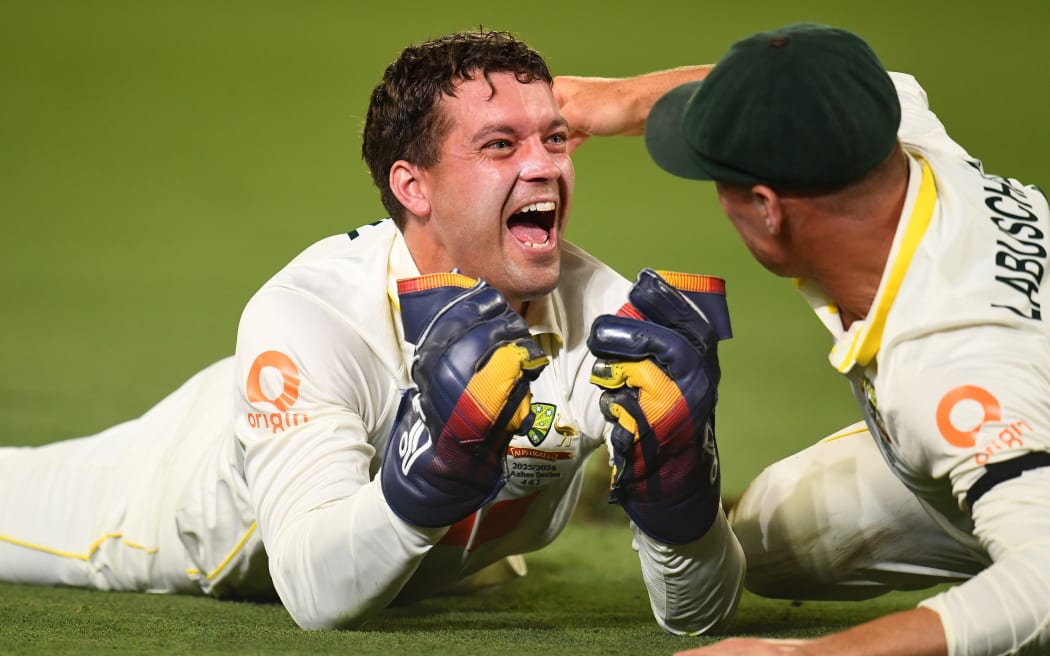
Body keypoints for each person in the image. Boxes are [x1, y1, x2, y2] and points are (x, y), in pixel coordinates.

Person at [0, 29, 746, 634]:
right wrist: (438, 473)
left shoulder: (606, 319)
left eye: (553, 139)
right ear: (411, 185)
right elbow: (314, 595)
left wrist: (681, 501)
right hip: (184, 498)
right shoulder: (310, 315)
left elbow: (696, 615)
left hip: (400, 532)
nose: (545, 167)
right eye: (499, 146)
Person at [554, 21, 1050, 656]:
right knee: (769, 542)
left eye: (717, 177)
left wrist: (803, 655)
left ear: (768, 208)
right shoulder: (892, 142)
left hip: (1002, 416)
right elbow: (841, 87)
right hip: (1000, 409)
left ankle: (1002, 519)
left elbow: (1041, 583)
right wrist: (622, 100)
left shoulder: (951, 368)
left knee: (1019, 576)